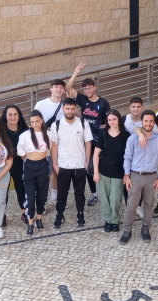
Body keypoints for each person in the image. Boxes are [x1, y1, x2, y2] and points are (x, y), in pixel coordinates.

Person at [66, 62, 111, 207]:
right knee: (88, 168)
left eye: (89, 87)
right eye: (85, 88)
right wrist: (76, 72)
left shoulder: (103, 103)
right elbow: (68, 88)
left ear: (95, 87)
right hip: (87, 140)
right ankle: (94, 193)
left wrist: (107, 126)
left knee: (102, 167)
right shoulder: (83, 100)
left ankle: (106, 192)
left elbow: (109, 120)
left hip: (100, 140)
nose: (87, 90)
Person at [120, 110, 158, 245]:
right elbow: (127, 158)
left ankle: (145, 228)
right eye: (145, 121)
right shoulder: (132, 139)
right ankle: (127, 231)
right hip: (135, 176)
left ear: (154, 123)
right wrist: (127, 176)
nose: (148, 123)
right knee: (131, 206)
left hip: (151, 177)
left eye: (151, 121)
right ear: (141, 121)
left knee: (149, 204)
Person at [51, 98, 93, 229]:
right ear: (63, 109)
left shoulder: (83, 123)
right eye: (67, 108)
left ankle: (80, 214)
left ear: (75, 109)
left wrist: (87, 162)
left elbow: (88, 143)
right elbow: (54, 146)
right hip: (63, 165)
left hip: (80, 165)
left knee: (79, 193)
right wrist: (55, 164)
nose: (70, 111)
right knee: (62, 193)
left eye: (72, 108)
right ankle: (60, 214)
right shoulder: (56, 125)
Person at [93, 110, 130, 233]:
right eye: (109, 120)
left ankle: (115, 220)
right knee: (104, 198)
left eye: (114, 119)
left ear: (119, 119)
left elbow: (128, 156)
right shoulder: (103, 133)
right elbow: (96, 153)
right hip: (103, 171)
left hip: (118, 172)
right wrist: (96, 172)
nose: (112, 122)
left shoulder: (125, 135)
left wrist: (126, 174)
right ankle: (107, 220)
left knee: (115, 198)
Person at [16, 110, 52, 236]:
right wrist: (30, 161)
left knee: (42, 193)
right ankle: (30, 222)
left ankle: (39, 218)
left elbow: (51, 149)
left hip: (43, 164)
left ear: (42, 120)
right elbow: (21, 153)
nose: (35, 124)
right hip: (29, 166)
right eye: (32, 122)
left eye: (37, 121)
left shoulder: (48, 134)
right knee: (30, 196)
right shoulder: (25, 135)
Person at [34, 79, 66, 206]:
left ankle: (55, 197)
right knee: (44, 172)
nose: (59, 89)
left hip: (62, 144)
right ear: (51, 89)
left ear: (64, 90)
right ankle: (43, 201)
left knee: (57, 170)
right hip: (44, 144)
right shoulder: (41, 104)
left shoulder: (66, 104)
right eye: (56, 87)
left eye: (61, 87)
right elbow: (34, 122)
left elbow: (76, 116)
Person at [1, 105, 29, 226]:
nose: (13, 117)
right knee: (3, 190)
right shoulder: (0, 129)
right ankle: (2, 215)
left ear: (19, 115)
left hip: (20, 163)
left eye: (15, 114)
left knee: (21, 188)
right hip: (4, 164)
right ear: (5, 116)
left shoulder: (24, 129)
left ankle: (24, 212)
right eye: (10, 114)